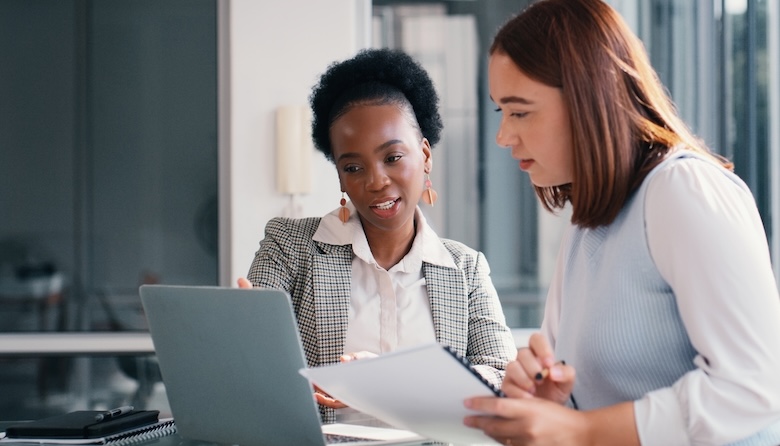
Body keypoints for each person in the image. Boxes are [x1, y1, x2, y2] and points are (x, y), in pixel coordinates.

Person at [462, 0, 780, 445]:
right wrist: (553, 401)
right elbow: (598, 393)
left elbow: (751, 388)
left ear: (588, 97)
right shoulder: (588, 220)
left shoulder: (682, 190)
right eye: (501, 112)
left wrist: (581, 429)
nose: (503, 136)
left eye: (520, 111)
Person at [240, 48, 516, 422]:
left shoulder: (466, 269)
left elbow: (501, 377)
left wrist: (395, 379)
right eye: (353, 166)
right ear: (340, 176)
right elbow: (254, 368)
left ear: (425, 155)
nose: (375, 181)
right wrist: (245, 337)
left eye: (392, 157)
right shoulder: (289, 246)